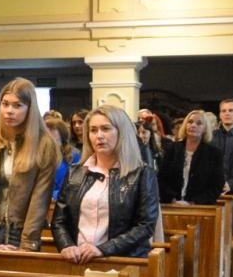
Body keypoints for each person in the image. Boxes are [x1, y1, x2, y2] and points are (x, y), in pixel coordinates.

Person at [52, 105, 161, 262]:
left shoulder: (142, 173)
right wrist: (66, 246)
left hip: (122, 261)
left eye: (106, 129)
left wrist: (103, 249)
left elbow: (145, 226)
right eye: (93, 130)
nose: (99, 136)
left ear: (121, 132)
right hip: (78, 260)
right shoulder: (75, 172)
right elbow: (59, 220)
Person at [0, 78, 60, 251]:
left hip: (22, 231)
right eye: (5, 104)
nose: (9, 111)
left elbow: (40, 200)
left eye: (17, 105)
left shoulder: (44, 145)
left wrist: (26, 245)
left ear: (30, 109)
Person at [159, 110, 225, 206]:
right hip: (171, 204)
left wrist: (192, 203)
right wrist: (172, 200)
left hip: (199, 206)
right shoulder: (172, 149)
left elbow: (216, 186)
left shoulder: (213, 153)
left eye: (199, 123)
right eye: (190, 122)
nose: (193, 125)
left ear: (205, 129)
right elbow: (161, 179)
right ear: (185, 125)